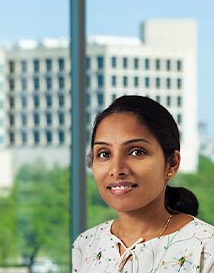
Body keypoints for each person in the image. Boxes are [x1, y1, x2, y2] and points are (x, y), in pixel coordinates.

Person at [72, 95, 214, 273]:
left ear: (171, 163)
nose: (116, 169)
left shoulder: (206, 248)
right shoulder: (86, 243)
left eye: (136, 152)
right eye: (104, 154)